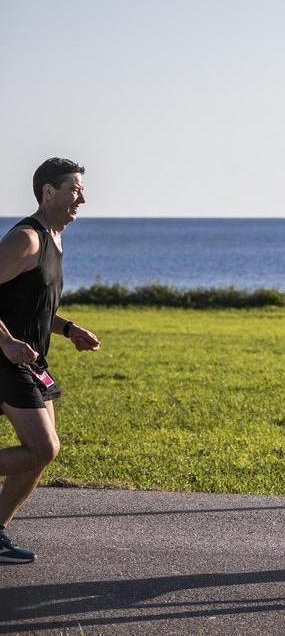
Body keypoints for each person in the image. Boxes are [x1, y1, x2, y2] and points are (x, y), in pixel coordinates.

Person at [0, 158, 101, 563]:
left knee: (40, 455)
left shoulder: (54, 240)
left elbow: (32, 305)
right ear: (48, 192)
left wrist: (67, 328)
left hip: (30, 361)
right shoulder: (27, 238)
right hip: (5, 359)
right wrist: (6, 342)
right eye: (75, 190)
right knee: (43, 449)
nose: (83, 199)